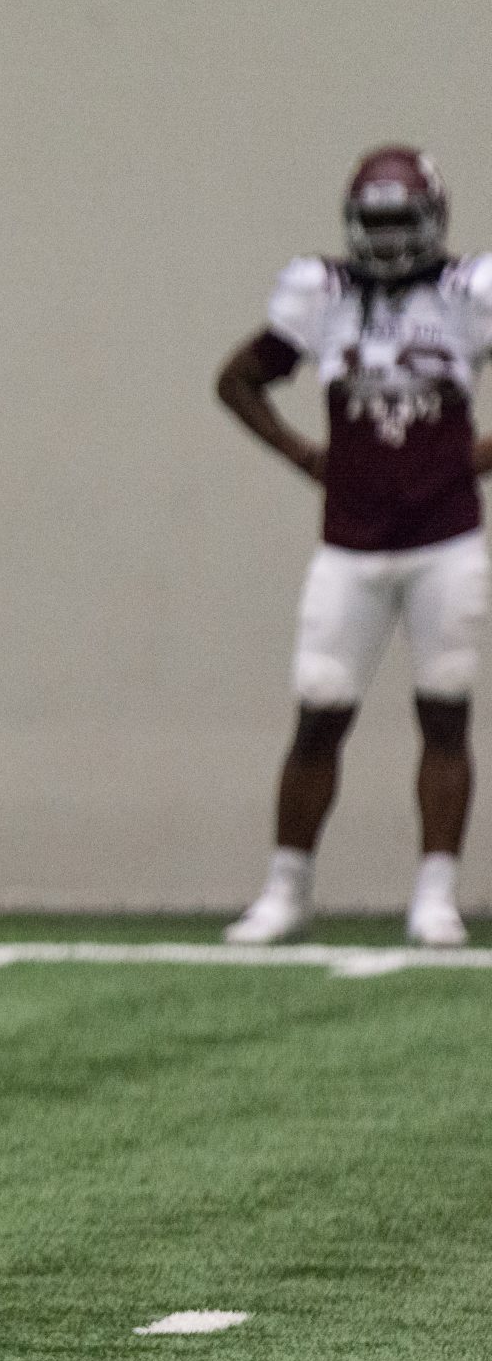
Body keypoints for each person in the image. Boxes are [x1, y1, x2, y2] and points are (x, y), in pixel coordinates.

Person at [218, 146, 492, 948]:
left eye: (399, 221)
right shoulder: (323, 294)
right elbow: (237, 377)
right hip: (350, 544)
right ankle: (286, 888)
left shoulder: (466, 293)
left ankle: (435, 893)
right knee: (320, 710)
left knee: (445, 710)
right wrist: (307, 457)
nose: (386, 239)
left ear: (433, 221)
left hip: (445, 538)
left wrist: (473, 455)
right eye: (373, 223)